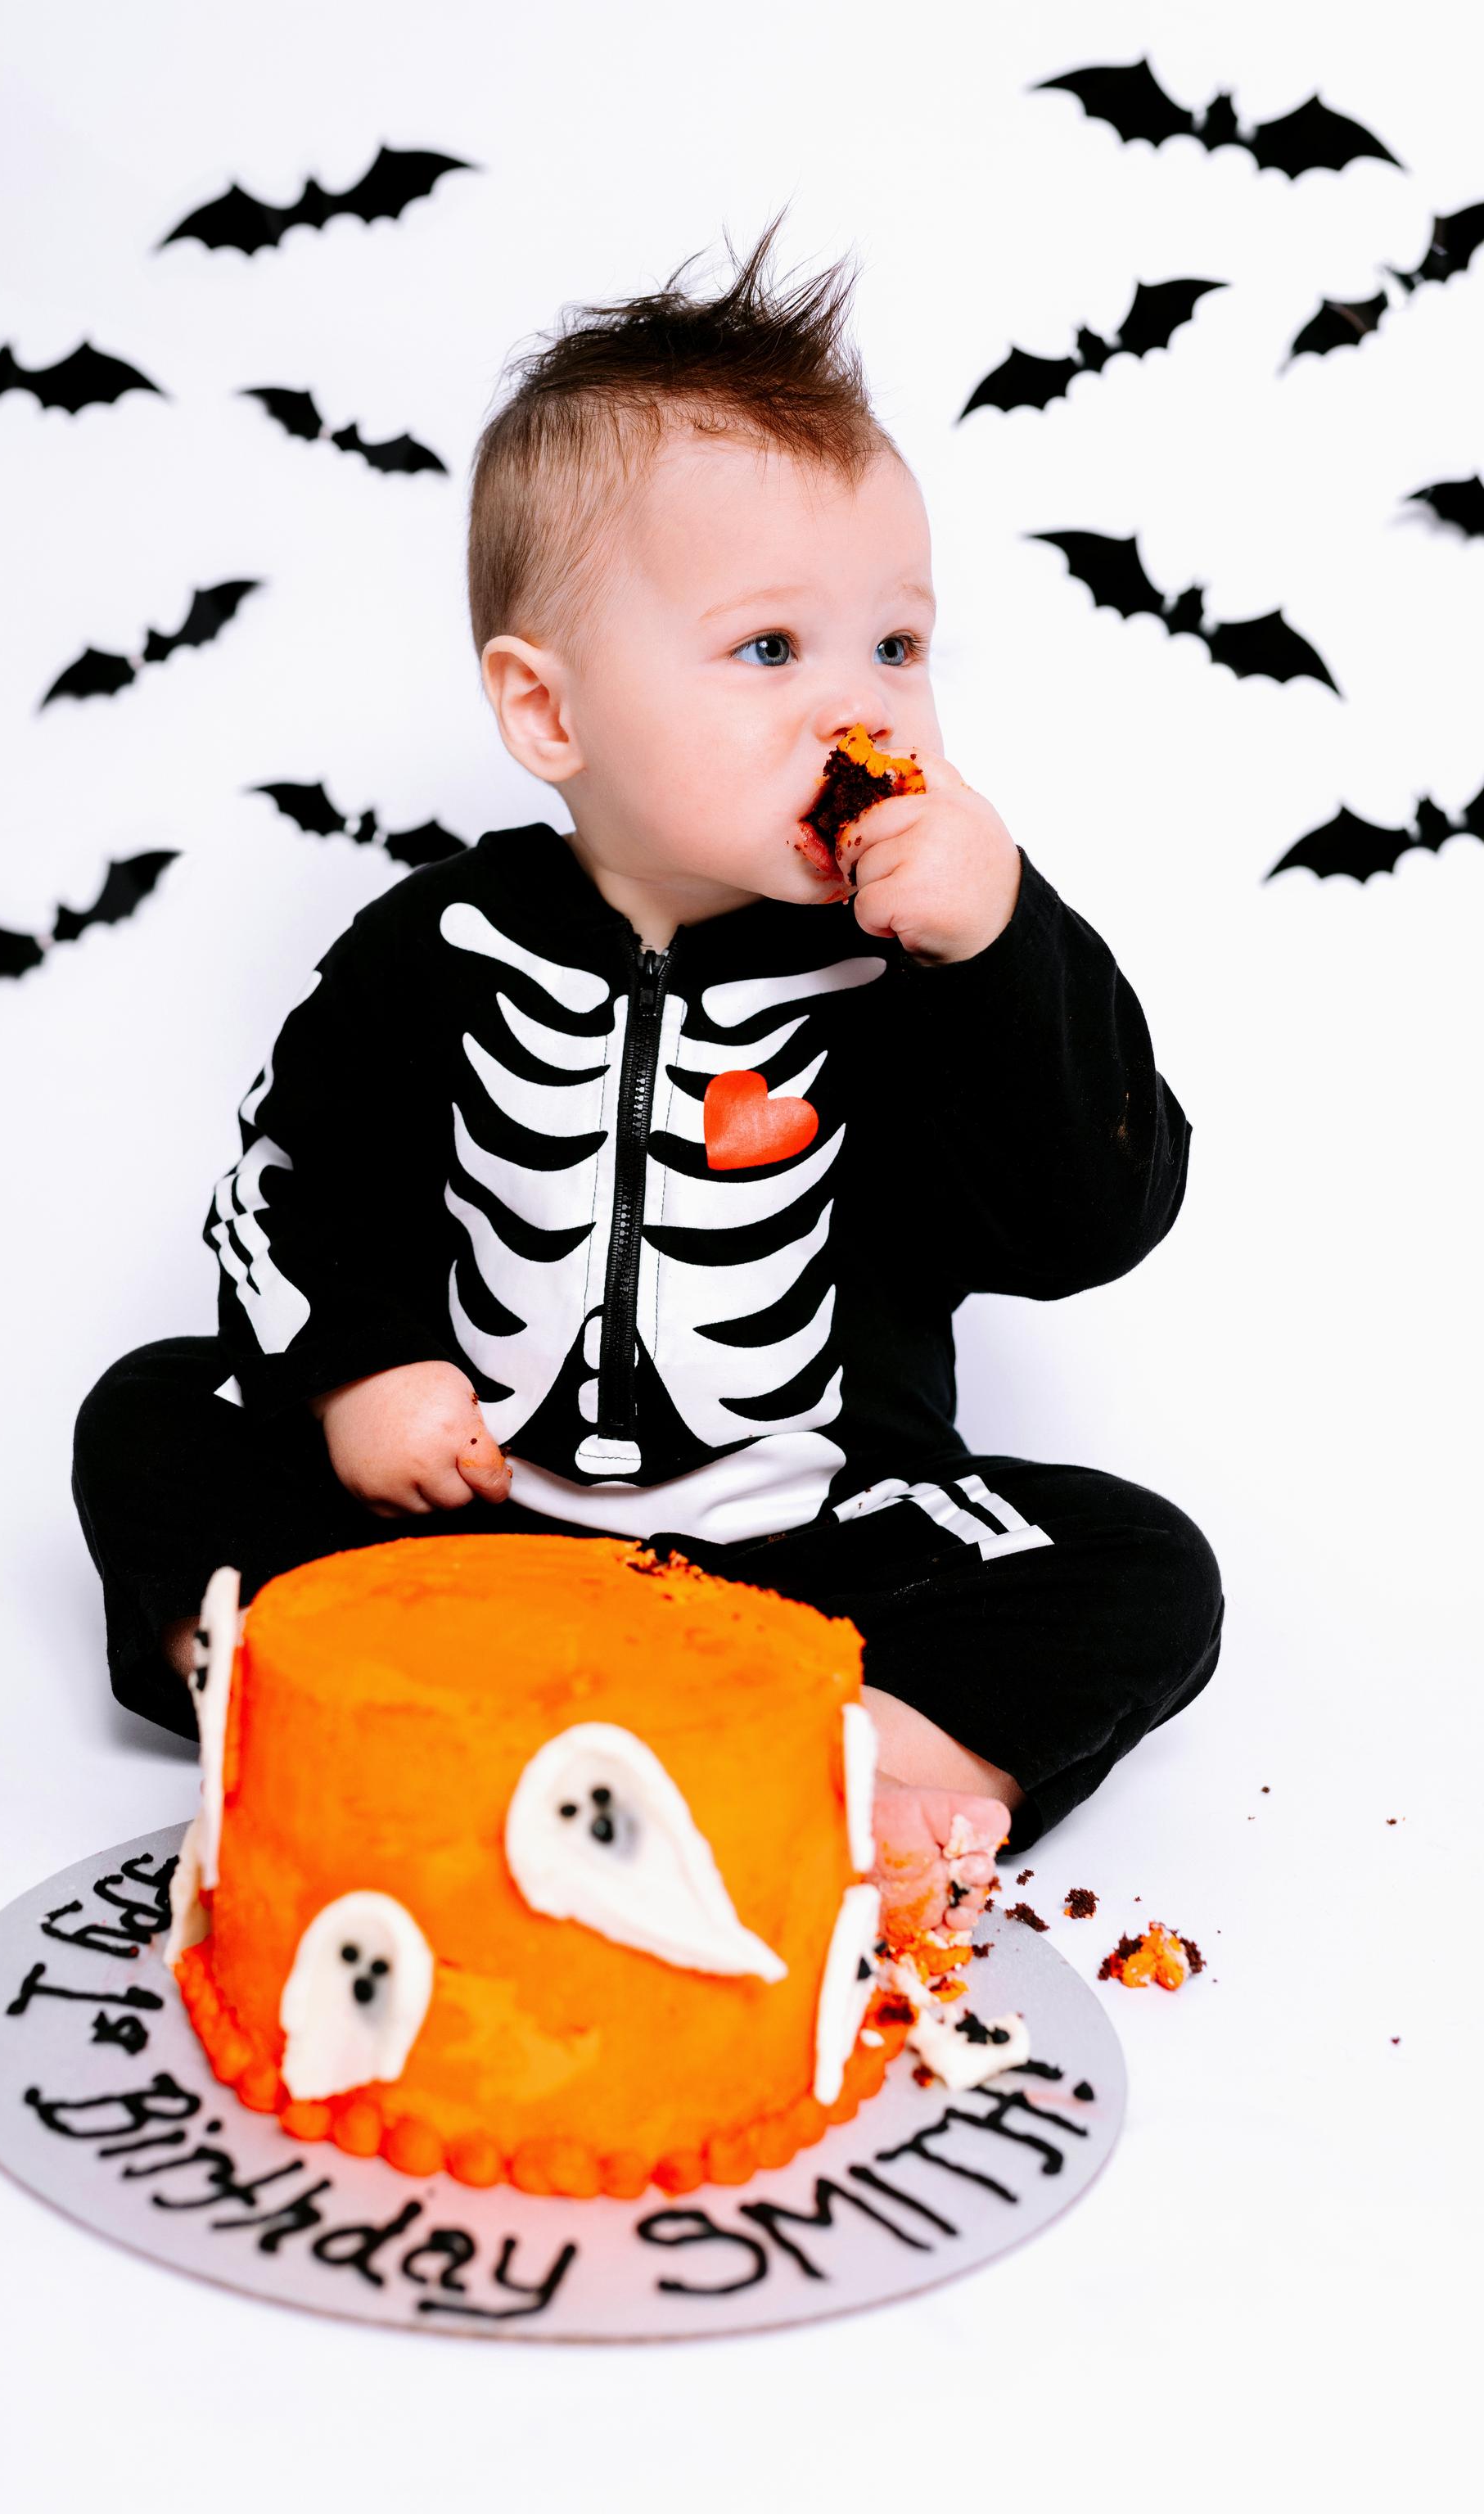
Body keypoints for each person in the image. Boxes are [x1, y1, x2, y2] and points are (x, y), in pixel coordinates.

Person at [74, 224, 1221, 1929]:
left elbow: (1090, 1219)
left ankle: (876, 1759)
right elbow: (287, 1187)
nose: (861, 710)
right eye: (771, 652)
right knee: (154, 1413)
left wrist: (1003, 945)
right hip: (472, 1544)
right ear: (550, 714)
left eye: (897, 648)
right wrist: (355, 1377)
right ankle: (292, 1710)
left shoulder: (911, 971)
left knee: (1144, 1567)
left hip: (814, 1553)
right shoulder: (434, 948)